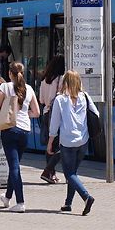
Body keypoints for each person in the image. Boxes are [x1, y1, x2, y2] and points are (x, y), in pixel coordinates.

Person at [0, 62, 39, 212]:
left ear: (9, 73)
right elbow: (37, 112)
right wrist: (24, 115)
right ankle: (7, 197)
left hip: (10, 129)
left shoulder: (5, 87)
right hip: (25, 131)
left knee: (14, 167)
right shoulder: (30, 89)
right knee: (14, 164)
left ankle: (20, 202)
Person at [48, 70, 97, 215]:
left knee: (69, 173)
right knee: (73, 172)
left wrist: (51, 141)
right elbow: (96, 114)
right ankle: (68, 203)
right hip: (83, 140)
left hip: (67, 141)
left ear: (65, 82)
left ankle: (86, 197)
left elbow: (54, 123)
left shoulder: (60, 99)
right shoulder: (85, 96)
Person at [39, 54, 66, 184]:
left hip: (46, 113)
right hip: (58, 114)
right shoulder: (61, 79)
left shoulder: (44, 80)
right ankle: (49, 170)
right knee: (61, 145)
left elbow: (42, 100)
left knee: (50, 144)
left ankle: (51, 173)